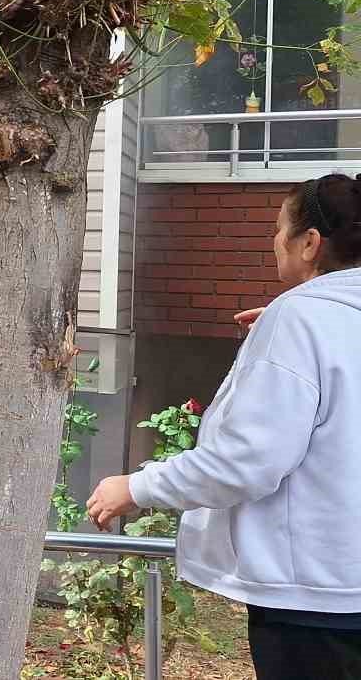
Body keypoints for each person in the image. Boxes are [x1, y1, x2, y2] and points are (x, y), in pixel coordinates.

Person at [87, 172, 361, 679]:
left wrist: (136, 487)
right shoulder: (312, 318)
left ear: (310, 243)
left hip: (318, 601)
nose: (273, 241)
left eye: (280, 229)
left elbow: (247, 460)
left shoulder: (299, 321)